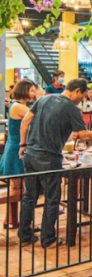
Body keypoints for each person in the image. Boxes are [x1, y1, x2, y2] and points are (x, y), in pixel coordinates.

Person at [18, 79, 92, 247]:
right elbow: (85, 136)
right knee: (52, 199)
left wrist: (23, 145)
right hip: (49, 158)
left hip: (30, 154)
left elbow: (25, 121)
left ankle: (25, 236)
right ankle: (48, 239)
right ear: (77, 91)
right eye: (82, 96)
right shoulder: (71, 108)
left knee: (30, 196)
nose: (82, 100)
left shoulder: (44, 98)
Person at [0, 79, 39, 229]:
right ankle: (15, 221)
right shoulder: (18, 106)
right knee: (17, 189)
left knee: (18, 189)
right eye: (32, 90)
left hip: (15, 147)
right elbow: (37, 115)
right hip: (16, 149)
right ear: (24, 90)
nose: (34, 93)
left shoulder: (17, 105)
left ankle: (12, 220)